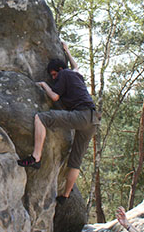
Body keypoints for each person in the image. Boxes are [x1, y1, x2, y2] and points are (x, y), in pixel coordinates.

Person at [17, 41, 100, 203]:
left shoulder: (63, 74)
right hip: (94, 119)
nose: (54, 78)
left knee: (40, 118)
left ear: (60, 70)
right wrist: (67, 50)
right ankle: (66, 195)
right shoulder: (75, 74)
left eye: (54, 74)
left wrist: (43, 85)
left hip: (81, 115)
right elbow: (76, 66)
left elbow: (55, 96)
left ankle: (35, 157)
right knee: (75, 160)